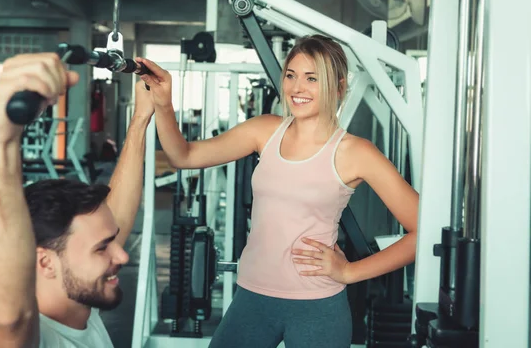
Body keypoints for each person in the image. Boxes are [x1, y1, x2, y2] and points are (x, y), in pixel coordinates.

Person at [137, 34, 419, 348]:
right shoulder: (265, 130)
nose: (297, 88)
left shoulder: (356, 152)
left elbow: (422, 231)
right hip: (253, 298)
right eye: (291, 75)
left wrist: (351, 272)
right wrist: (164, 104)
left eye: (312, 78)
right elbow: (184, 156)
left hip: (317, 305)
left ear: (339, 88)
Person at [0, 52, 154, 347]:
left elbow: (115, 215)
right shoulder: (37, 338)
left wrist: (142, 116)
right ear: (44, 262)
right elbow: (11, 319)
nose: (122, 256)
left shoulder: (79, 305)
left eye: (111, 242)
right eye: (101, 249)